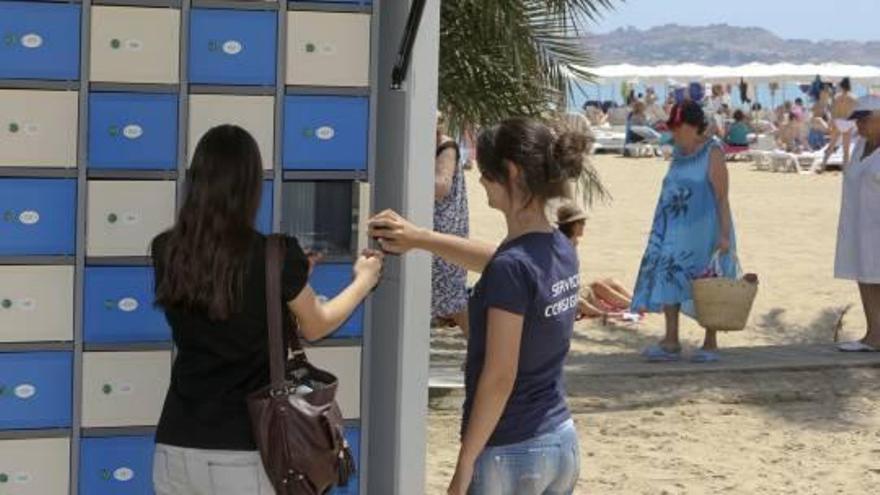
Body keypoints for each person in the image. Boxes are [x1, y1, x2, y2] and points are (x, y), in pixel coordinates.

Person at [150, 125, 383, 494]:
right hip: (246, 452)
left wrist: (285, 280)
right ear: (250, 186)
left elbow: (222, 296)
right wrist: (363, 282)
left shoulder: (166, 250)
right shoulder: (274, 254)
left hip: (176, 446)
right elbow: (316, 325)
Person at [370, 118, 596, 495]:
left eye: (486, 173)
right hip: (559, 441)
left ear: (510, 172)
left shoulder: (512, 268)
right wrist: (420, 238)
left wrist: (464, 466)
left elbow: (499, 377)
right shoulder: (558, 248)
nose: (479, 180)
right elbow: (500, 259)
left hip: (512, 450)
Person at [631, 101, 739, 363]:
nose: (674, 133)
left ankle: (710, 342)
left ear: (693, 126)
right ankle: (671, 341)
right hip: (674, 228)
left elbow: (722, 198)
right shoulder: (679, 153)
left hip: (705, 230)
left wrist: (724, 236)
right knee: (670, 277)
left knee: (708, 282)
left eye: (678, 128)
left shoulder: (712, 152)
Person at [834, 95, 880, 352]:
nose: (859, 126)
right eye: (857, 121)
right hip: (860, 226)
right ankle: (874, 334)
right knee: (865, 277)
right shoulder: (860, 147)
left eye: (864, 120)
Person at [555, 203, 634, 321]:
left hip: (573, 288)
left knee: (608, 282)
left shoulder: (572, 242)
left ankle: (635, 304)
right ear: (573, 226)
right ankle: (608, 314)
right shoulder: (561, 247)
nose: (584, 226)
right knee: (581, 300)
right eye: (582, 223)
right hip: (565, 294)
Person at [433, 113, 471, 336]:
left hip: (445, 227)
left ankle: (478, 349)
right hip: (436, 226)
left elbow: (441, 187)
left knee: (453, 297)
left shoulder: (446, 147)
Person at [823, 77, 859, 169]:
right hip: (848, 122)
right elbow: (857, 113)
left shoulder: (837, 97)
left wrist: (831, 123)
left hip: (838, 121)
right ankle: (845, 168)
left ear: (841, 86)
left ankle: (823, 165)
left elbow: (833, 111)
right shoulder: (854, 98)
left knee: (831, 146)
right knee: (846, 149)